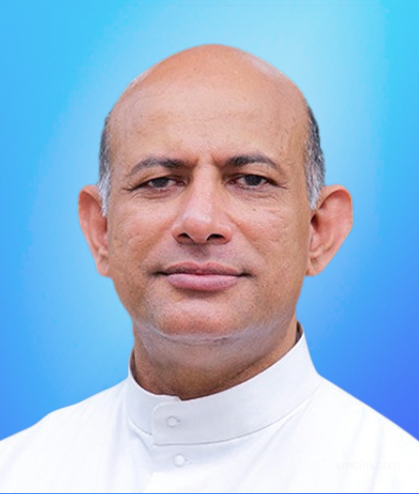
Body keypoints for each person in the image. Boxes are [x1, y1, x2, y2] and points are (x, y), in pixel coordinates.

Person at [0, 44, 418, 493]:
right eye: (159, 181)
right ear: (101, 230)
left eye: (252, 180)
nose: (200, 223)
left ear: (319, 230)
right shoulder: (19, 472)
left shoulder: (396, 477)